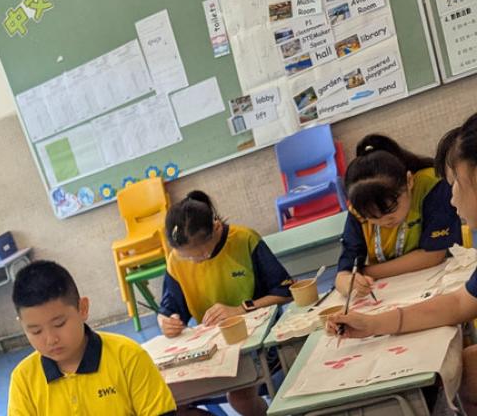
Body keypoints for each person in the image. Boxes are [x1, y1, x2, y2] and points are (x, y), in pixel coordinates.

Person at [328, 115, 477, 415]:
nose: (452, 200)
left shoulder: (428, 189)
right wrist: (372, 324)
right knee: (467, 370)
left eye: (456, 185)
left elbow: (436, 260)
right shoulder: (358, 211)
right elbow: (461, 303)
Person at [158, 190, 292, 416]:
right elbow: (168, 309)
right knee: (171, 404)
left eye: (200, 255)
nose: (193, 262)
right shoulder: (176, 260)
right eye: (185, 257)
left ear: (216, 228)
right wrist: (166, 321)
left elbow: (285, 291)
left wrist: (241, 309)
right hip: (212, 347)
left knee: (240, 398)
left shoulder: (244, 240)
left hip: (257, 340)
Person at [7, 260, 176, 416]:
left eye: (59, 324)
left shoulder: (128, 357)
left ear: (83, 308)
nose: (50, 339)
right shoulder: (24, 379)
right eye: (36, 331)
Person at [334, 134, 461, 298]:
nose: (384, 221)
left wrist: (366, 271)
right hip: (394, 290)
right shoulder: (361, 207)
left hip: (445, 279)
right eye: (372, 217)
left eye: (390, 210)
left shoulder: (431, 185)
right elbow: (346, 265)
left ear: (409, 181)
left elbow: (433, 255)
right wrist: (345, 280)